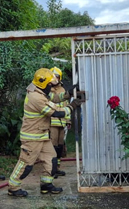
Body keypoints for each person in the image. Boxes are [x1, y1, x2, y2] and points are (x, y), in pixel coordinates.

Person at [7, 68, 83, 197]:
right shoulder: (36, 97)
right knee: (26, 164)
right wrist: (72, 106)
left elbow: (53, 98)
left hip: (42, 135)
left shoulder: (40, 92)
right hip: (32, 137)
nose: (51, 86)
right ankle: (13, 187)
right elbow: (56, 112)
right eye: (50, 84)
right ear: (43, 84)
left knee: (51, 159)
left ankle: (46, 185)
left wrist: (68, 94)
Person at [48, 67, 71, 178]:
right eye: (53, 77)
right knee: (52, 146)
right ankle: (51, 169)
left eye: (56, 76)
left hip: (62, 122)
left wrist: (68, 120)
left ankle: (57, 168)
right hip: (52, 123)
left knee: (60, 147)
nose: (54, 79)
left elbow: (66, 105)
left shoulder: (62, 90)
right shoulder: (47, 90)